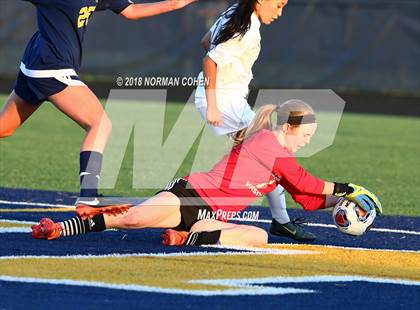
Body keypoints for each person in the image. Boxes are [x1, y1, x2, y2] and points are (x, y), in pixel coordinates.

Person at [31, 100, 382, 246]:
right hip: (193, 195)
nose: (308, 142)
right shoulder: (265, 143)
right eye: (306, 135)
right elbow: (305, 182)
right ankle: (60, 228)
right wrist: (349, 187)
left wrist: (345, 202)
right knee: (134, 219)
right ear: (287, 128)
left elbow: (306, 198)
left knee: (258, 237)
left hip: (211, 217)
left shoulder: (279, 161)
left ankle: (187, 238)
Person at [0, 0, 198, 204]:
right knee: (100, 124)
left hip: (36, 64)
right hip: (51, 67)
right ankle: (88, 196)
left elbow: (132, 11)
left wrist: (178, 3)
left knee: (4, 128)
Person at [194, 0, 307, 240]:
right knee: (271, 153)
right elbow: (209, 61)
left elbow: (206, 42)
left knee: (261, 159)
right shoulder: (245, 28)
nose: (280, 12)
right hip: (225, 102)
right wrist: (213, 105)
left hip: (229, 100)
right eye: (277, 5)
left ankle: (277, 220)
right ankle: (280, 221)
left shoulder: (237, 12)